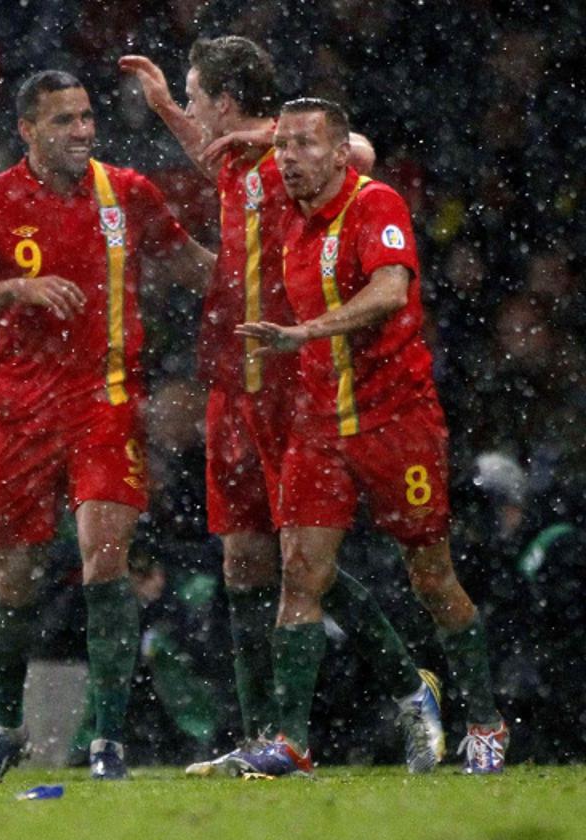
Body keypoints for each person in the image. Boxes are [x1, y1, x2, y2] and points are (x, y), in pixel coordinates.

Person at [120, 39, 446, 775]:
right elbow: (212, 149)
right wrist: (167, 106)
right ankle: (262, 733)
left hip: (292, 382)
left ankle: (402, 687)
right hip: (232, 379)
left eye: (199, 97)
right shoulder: (235, 161)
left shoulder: (289, 156)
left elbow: (357, 148)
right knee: (242, 561)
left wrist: (269, 133)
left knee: (303, 563)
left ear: (229, 103)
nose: (197, 113)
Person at [0, 69, 214, 781]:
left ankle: (107, 739)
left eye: (86, 117)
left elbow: (201, 271)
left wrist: (265, 259)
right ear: (28, 130)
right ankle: (6, 728)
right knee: (13, 585)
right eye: (64, 121)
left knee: (104, 557)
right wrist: (14, 288)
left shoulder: (128, 193)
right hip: (20, 416)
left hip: (105, 402)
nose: (82, 131)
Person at [232, 98, 508, 775]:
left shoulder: (375, 204)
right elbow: (260, 153)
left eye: (303, 145)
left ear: (338, 153)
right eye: (283, 147)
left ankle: (485, 720)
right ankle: (292, 742)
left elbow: (388, 291)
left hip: (397, 421)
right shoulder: (288, 209)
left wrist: (304, 332)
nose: (288, 158)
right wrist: (238, 132)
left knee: (432, 577)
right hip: (320, 425)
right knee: (300, 573)